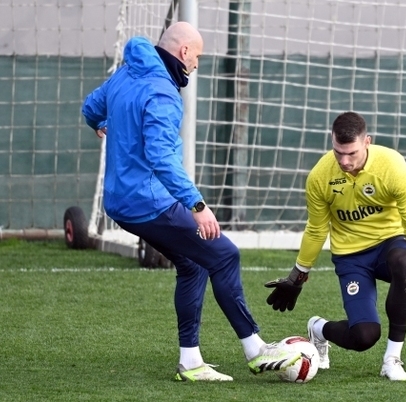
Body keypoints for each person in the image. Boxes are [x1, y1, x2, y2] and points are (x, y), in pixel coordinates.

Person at [81, 21, 300, 382]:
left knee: (194, 264)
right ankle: (255, 349)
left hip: (120, 201)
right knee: (225, 255)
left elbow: (91, 106)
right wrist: (197, 206)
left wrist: (96, 121)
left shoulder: (126, 73)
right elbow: (161, 158)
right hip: (148, 203)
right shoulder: (163, 92)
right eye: (197, 56)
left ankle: (191, 362)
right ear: (184, 52)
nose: (197, 63)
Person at [265, 111, 406, 381]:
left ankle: (392, 360)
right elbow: (316, 230)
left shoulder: (392, 167)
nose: (344, 161)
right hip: (350, 257)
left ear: (367, 142)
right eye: (338, 152)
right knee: (364, 336)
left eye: (351, 153)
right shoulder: (320, 176)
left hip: (391, 244)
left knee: (402, 261)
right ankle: (318, 329)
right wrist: (297, 277)